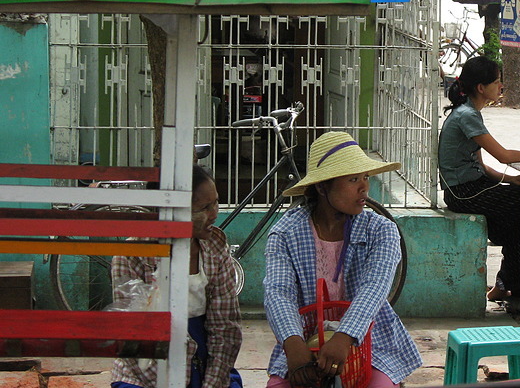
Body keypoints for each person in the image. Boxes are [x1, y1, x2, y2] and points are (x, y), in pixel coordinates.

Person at [263, 132, 422, 388]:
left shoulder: (381, 230)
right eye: (353, 179)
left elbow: (374, 288)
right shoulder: (286, 232)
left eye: (365, 178)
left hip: (370, 339)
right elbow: (278, 292)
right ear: (322, 186)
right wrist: (293, 345)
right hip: (304, 338)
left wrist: (345, 336)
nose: (364, 187)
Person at [438, 56, 520, 303]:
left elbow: (481, 165)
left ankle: (511, 284)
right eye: (498, 81)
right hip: (464, 193)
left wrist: (510, 179)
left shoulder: (469, 112)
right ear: (481, 87)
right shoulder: (466, 115)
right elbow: (503, 156)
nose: (501, 86)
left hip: (473, 186)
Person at [110, 164, 243, 388]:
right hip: (146, 373)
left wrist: (210, 384)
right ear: (171, 212)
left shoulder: (215, 246)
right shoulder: (131, 256)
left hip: (206, 362)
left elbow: (226, 329)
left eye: (216, 202)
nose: (214, 214)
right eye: (204, 207)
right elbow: (138, 341)